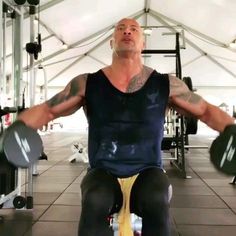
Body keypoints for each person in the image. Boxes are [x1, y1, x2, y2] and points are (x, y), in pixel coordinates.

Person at [17, 18, 235, 236]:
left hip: (148, 170)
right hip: (102, 171)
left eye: (133, 29)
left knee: (156, 198)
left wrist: (231, 130)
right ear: (112, 43)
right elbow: (48, 110)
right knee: (94, 199)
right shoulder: (86, 83)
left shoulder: (167, 84)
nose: (127, 32)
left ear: (143, 44)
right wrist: (17, 129)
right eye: (120, 29)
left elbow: (205, 110)